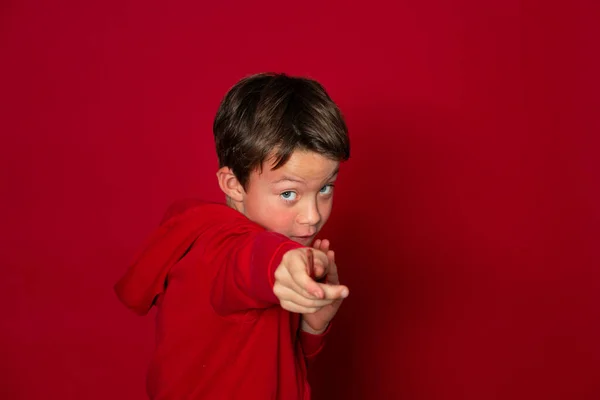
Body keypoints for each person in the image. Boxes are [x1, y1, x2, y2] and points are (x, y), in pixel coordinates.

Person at [114, 72, 351, 399]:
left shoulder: (272, 241)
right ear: (232, 184)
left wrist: (313, 326)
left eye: (325, 188)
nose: (313, 216)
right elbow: (246, 262)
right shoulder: (214, 246)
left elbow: (278, 370)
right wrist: (280, 263)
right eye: (288, 194)